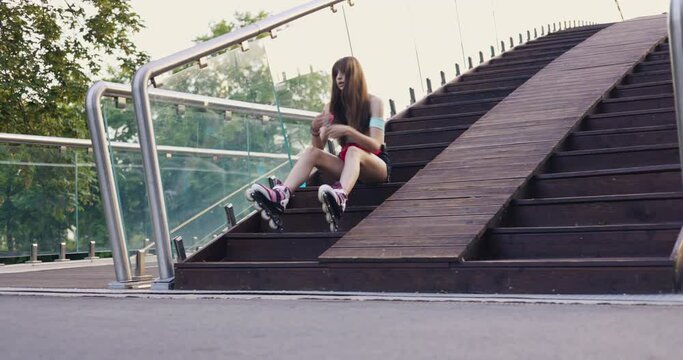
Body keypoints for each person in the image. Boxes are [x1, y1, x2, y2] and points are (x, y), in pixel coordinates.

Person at [245, 56, 391, 231]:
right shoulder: (332, 107)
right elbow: (318, 147)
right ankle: (281, 195)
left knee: (353, 150)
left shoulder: (374, 103)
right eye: (336, 74)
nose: (339, 77)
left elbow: (376, 145)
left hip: (376, 165)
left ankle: (340, 197)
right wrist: (314, 130)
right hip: (348, 166)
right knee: (310, 152)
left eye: (344, 73)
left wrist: (348, 131)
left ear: (356, 75)